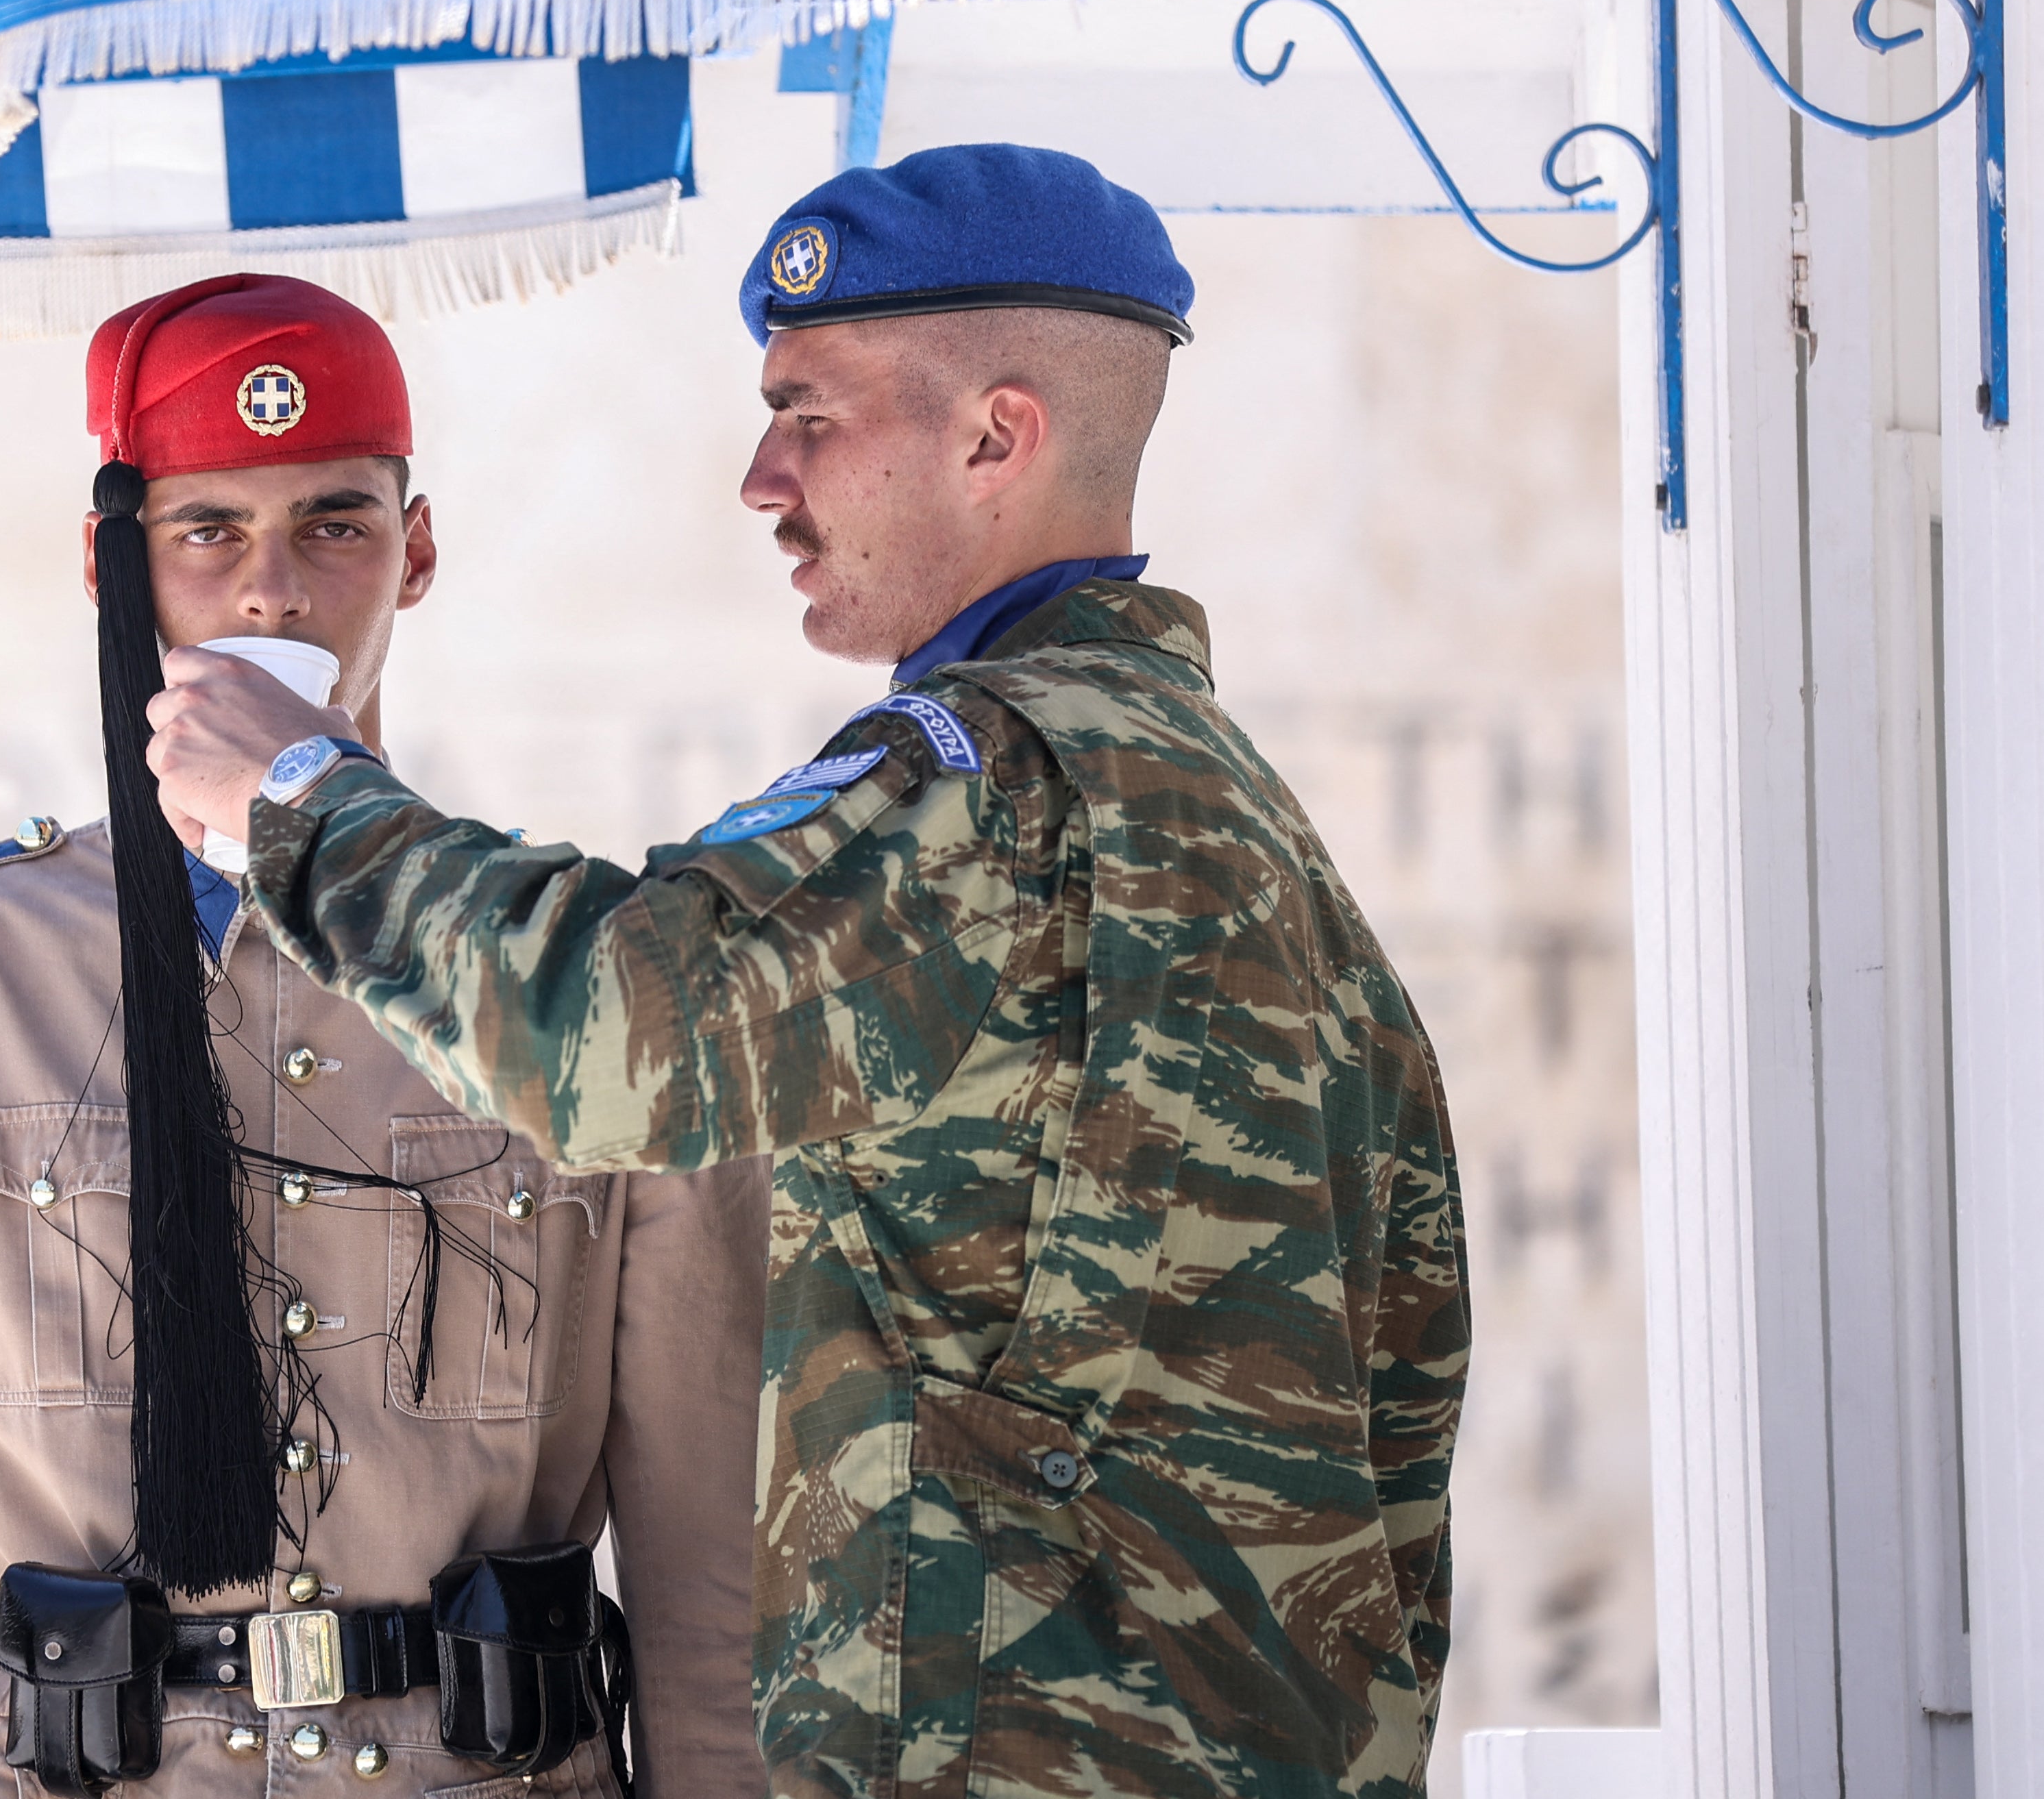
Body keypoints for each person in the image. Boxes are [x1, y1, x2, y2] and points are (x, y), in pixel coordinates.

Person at [145, 149, 1468, 1799]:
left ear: (997, 437)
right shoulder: (1224, 796)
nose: (763, 479)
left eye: (810, 415)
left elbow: (620, 1036)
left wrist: (300, 799)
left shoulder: (987, 782)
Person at [0, 273, 771, 1799]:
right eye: (208, 531)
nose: (274, 588)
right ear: (109, 565)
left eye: (336, 523)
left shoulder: (584, 981)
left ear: (418, 552)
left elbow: (710, 1572)